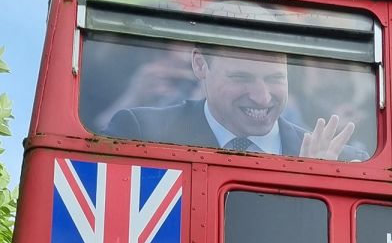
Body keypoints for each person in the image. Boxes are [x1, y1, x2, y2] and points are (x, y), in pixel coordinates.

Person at [108, 46, 362, 159]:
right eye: (241, 77)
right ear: (200, 65)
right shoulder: (140, 134)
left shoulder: (340, 161)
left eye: (275, 78)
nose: (262, 97)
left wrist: (317, 189)